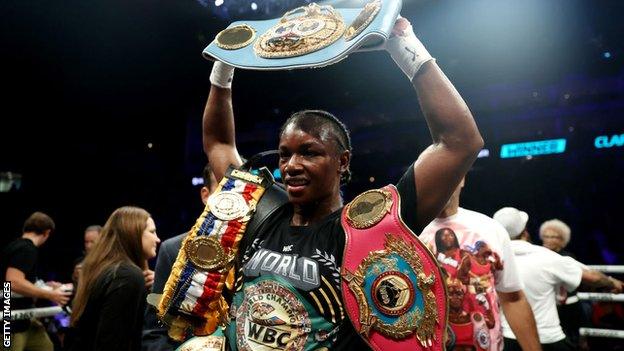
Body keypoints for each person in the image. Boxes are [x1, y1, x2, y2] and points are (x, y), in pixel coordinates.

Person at [203, 17, 484, 350]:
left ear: (343, 161)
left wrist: (403, 45)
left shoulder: (368, 229)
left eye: (309, 153)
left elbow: (460, 141)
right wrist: (225, 65)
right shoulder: (262, 211)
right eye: (284, 154)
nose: (292, 165)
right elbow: (220, 145)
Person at [418, 179, 541, 351]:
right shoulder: (406, 231)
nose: (442, 180)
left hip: (481, 337)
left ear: (462, 179)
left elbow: (513, 299)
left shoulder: (490, 229)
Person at [493, 207, 623, 351]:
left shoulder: (489, 259)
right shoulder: (546, 257)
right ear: (525, 232)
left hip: (507, 338)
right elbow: (593, 277)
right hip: (546, 338)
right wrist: (613, 282)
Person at [142, 164, 217, 350]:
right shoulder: (174, 250)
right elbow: (155, 331)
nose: (234, 197)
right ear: (205, 195)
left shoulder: (263, 250)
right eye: (225, 187)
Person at [68, 206, 161, 350]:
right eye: (152, 232)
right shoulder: (127, 276)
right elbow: (113, 342)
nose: (157, 239)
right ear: (133, 233)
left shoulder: (107, 270)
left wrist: (155, 289)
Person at [1, 211, 72, 351]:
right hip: (10, 321)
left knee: (46, 346)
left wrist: (44, 286)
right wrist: (50, 295)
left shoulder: (15, 246)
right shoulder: (27, 249)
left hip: (25, 318)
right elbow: (13, 282)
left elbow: (20, 280)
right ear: (47, 233)